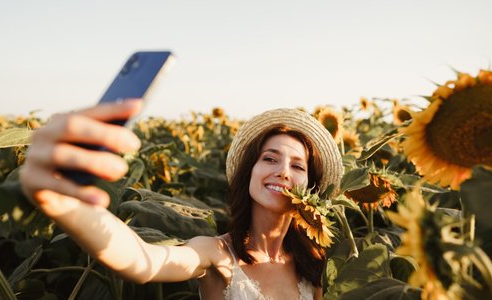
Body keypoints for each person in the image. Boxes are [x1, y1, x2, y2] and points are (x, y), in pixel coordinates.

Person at [19, 100, 343, 300]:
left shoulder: (313, 264)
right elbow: (142, 260)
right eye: (270, 159)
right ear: (250, 173)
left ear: (311, 188)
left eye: (297, 165)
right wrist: (63, 200)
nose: (283, 172)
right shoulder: (217, 254)